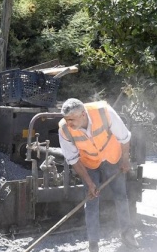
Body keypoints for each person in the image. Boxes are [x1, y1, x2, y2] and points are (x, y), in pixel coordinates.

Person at [58, 98, 139, 252]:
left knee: (121, 196)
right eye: (66, 119)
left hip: (112, 158)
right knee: (91, 201)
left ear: (83, 114)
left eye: (71, 119)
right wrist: (89, 183)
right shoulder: (64, 130)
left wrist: (125, 160)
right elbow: (73, 159)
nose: (68, 123)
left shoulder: (104, 112)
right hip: (89, 164)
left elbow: (124, 137)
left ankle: (127, 233)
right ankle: (93, 243)